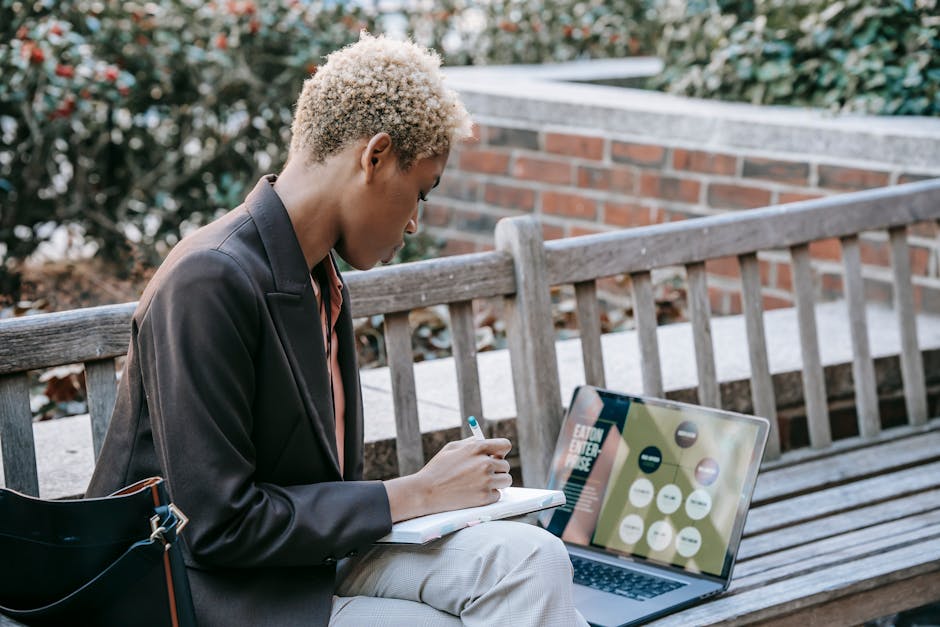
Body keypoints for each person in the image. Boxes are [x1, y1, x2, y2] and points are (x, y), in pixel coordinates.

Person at [86, 33, 588, 626]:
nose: (414, 223)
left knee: (535, 560)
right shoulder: (208, 279)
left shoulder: (321, 278)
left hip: (306, 564)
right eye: (420, 192)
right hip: (194, 592)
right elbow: (218, 528)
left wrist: (434, 499)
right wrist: (419, 491)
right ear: (374, 157)